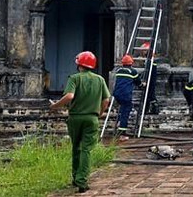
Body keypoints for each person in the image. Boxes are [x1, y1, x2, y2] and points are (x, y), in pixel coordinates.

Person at [49, 51, 110, 193]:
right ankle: (82, 181)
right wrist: (100, 113)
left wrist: (55, 106)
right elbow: (106, 100)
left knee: (76, 147)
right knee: (86, 149)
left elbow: (70, 96)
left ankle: (76, 177)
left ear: (79, 65)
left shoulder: (74, 78)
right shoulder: (100, 80)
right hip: (92, 119)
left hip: (75, 117)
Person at [112, 54, 141, 140]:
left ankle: (119, 123)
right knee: (126, 111)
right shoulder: (133, 71)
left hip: (117, 94)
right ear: (131, 63)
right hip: (125, 95)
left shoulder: (118, 70)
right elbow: (138, 83)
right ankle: (122, 134)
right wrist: (143, 84)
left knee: (122, 109)